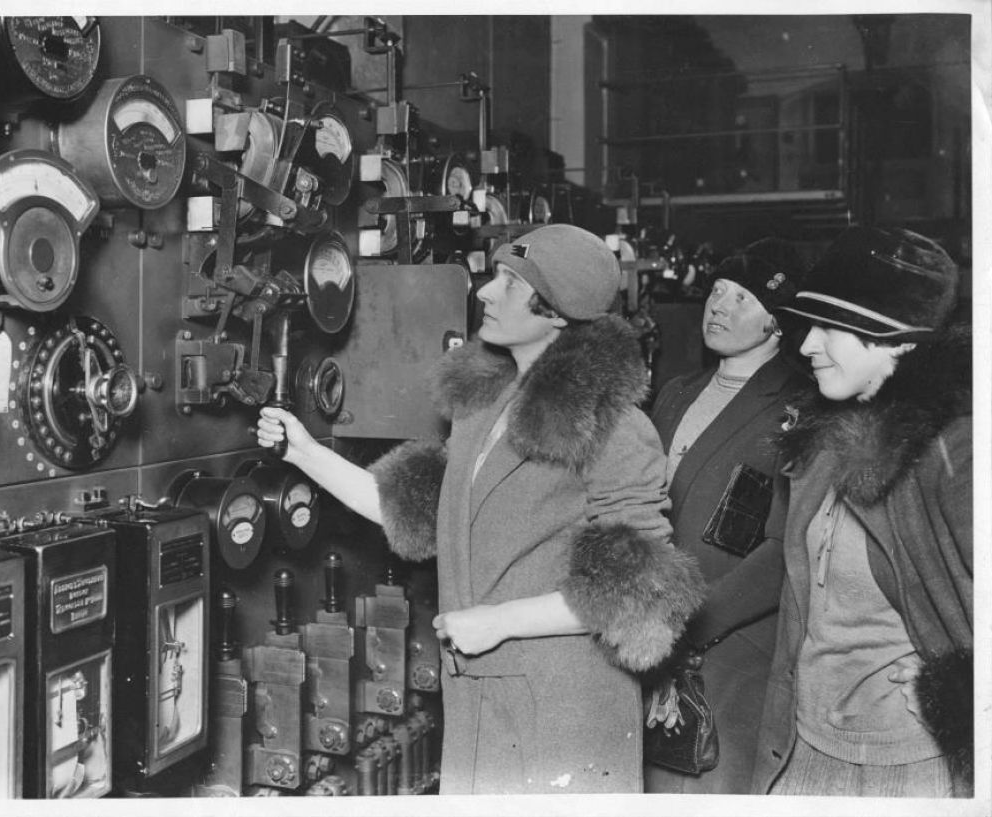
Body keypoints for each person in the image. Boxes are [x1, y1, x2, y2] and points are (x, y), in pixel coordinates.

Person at [257, 224, 704, 794]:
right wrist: (305, 452)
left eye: (510, 282)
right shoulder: (484, 407)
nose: (486, 292)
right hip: (479, 693)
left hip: (563, 707)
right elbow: (415, 512)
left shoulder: (613, 425)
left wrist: (498, 622)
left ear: (558, 313)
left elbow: (645, 594)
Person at [751, 225, 972, 797]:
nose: (805, 345)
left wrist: (960, 687)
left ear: (898, 340)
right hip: (806, 747)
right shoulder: (824, 438)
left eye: (832, 328)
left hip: (908, 764)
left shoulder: (956, 450)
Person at [644, 238, 811, 794]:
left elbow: (784, 549)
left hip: (728, 647)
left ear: (776, 322)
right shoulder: (676, 392)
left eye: (741, 298)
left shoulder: (800, 407)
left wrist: (691, 628)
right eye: (717, 292)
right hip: (650, 633)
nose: (719, 306)